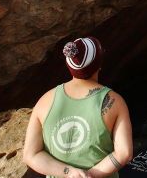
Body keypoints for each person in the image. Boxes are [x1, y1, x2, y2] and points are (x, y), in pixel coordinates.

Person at [23, 37, 133, 178]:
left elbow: (31, 155)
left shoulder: (45, 101)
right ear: (99, 64)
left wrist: (69, 173)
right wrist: (88, 175)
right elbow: (124, 153)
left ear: (69, 66)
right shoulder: (115, 101)